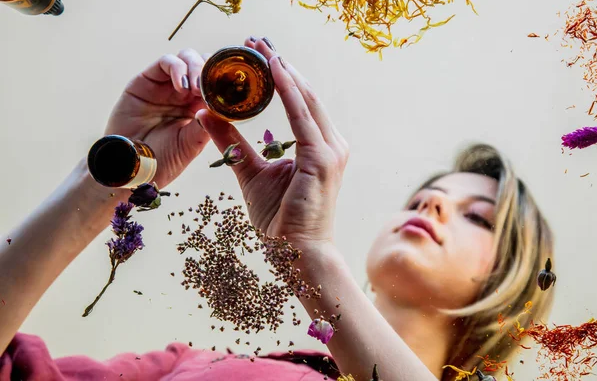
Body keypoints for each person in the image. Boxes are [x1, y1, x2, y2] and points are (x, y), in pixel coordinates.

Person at [0, 37, 555, 381]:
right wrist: (109, 176)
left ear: (513, 281)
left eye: (477, 216)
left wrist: (308, 256)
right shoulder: (201, 369)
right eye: (421, 198)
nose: (433, 202)